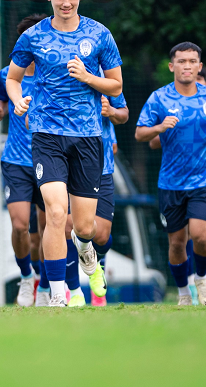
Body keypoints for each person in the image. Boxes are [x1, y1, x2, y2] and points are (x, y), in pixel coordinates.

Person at [6, 0, 123, 307]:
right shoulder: (33, 37)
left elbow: (116, 86)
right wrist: (18, 101)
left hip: (88, 138)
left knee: (84, 228)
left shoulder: (99, 34)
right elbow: (13, 78)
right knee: (56, 214)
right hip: (47, 136)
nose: (66, 3)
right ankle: (58, 294)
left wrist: (88, 77)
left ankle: (85, 250)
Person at [135, 42, 206, 306]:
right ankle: (184, 293)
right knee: (176, 244)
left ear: (200, 66)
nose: (187, 66)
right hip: (171, 182)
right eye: (181, 61)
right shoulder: (158, 98)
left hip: (205, 179)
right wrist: (160, 127)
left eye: (192, 61)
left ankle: (201, 278)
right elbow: (140, 133)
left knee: (201, 235)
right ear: (171, 66)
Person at [0, 13, 47, 307]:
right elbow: (3, 103)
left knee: (49, 229)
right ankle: (26, 277)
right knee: (21, 225)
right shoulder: (7, 74)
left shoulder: (54, 73)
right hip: (16, 160)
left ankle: (46, 284)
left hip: (49, 158)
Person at [154, 70, 206, 304]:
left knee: (205, 232)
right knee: (179, 239)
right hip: (174, 182)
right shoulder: (166, 102)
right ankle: (185, 288)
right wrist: (166, 131)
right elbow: (152, 140)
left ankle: (203, 279)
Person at [85, 93, 128, 307]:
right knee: (65, 226)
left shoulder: (108, 83)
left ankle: (97, 265)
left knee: (101, 236)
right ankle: (68, 290)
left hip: (102, 171)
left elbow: (123, 117)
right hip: (71, 169)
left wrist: (110, 111)